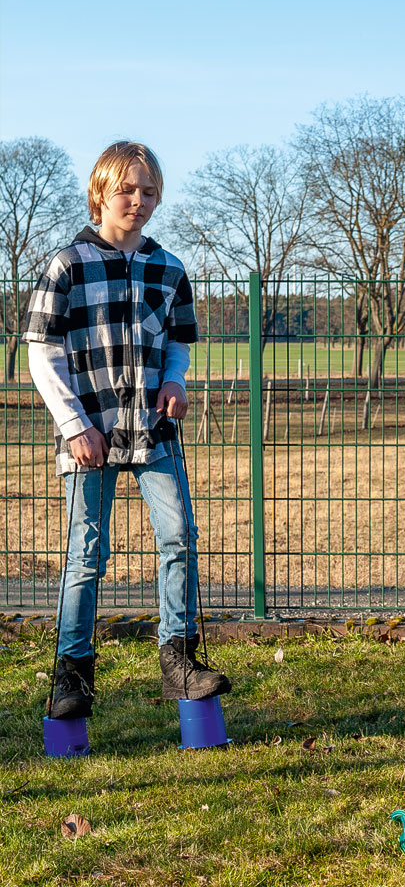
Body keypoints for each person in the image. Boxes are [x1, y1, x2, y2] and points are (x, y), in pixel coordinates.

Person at [24, 141, 230, 720]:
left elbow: (180, 343)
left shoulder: (169, 269)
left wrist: (176, 383)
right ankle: (73, 676)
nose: (137, 201)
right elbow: (43, 353)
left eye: (148, 192)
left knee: (179, 538)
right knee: (85, 554)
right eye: (126, 190)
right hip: (89, 436)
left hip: (154, 432)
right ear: (101, 193)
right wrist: (73, 423)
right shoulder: (68, 265)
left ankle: (179, 659)